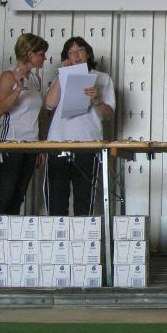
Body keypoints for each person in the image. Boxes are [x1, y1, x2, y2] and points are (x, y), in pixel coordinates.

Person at [43, 37, 115, 216]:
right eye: (71, 52)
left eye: (79, 50)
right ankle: (58, 235)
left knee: (84, 202)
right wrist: (62, 74)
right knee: (56, 202)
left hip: (88, 144)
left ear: (88, 53)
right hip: (58, 143)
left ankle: (82, 235)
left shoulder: (103, 78)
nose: (76, 55)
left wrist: (97, 100)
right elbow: (49, 104)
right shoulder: (60, 77)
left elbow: (108, 115)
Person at [0, 33, 48, 215]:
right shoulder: (8, 76)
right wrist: (18, 90)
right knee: (4, 194)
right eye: (41, 54)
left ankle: (10, 232)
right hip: (11, 141)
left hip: (31, 144)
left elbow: (36, 116)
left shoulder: (36, 80)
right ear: (30, 54)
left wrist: (39, 146)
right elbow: (0, 108)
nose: (45, 58)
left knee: (18, 196)